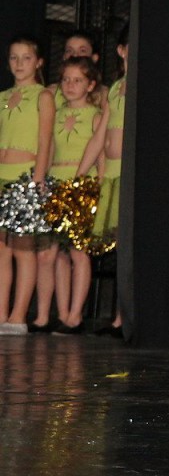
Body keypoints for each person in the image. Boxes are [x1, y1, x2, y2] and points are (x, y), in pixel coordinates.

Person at [75, 24, 130, 336]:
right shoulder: (114, 88)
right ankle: (119, 318)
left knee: (128, 245)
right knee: (119, 246)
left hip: (126, 173)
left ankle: (126, 315)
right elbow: (99, 136)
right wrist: (81, 173)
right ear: (121, 50)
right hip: (110, 173)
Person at [46, 56, 105, 333]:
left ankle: (75, 314)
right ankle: (62, 313)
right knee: (58, 253)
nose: (70, 85)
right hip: (56, 185)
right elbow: (49, 149)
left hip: (81, 188)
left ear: (90, 85)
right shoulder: (56, 114)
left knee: (79, 252)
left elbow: (101, 156)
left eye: (77, 80)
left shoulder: (95, 116)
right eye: (66, 80)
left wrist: (99, 186)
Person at [0, 36, 50, 335]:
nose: (19, 64)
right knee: (1, 250)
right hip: (1, 176)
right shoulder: (3, 96)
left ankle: (18, 316)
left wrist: (37, 179)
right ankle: (1, 312)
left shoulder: (43, 96)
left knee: (23, 248)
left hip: (24, 178)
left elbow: (45, 140)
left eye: (26, 58)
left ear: (38, 62)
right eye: (13, 57)